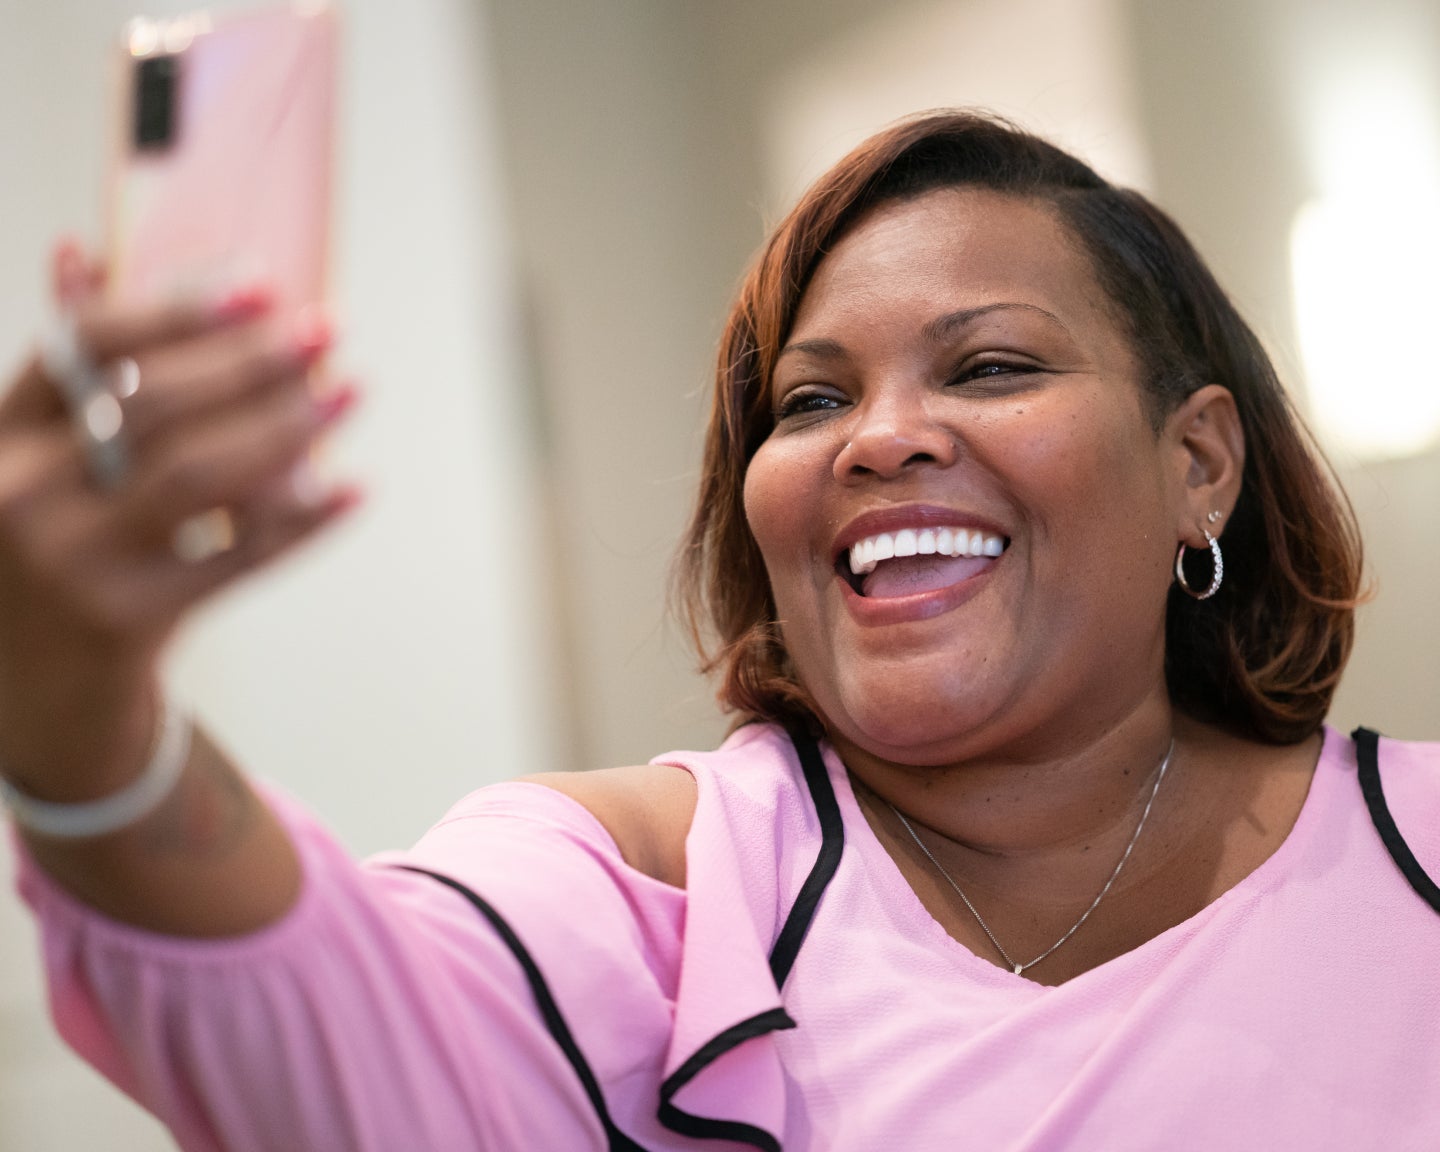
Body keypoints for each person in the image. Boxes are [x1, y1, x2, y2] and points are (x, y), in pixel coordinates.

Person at [3, 110, 1438, 1151]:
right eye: (811, 401)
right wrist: (74, 716)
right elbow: (327, 1046)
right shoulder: (651, 892)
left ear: (1198, 463)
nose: (879, 438)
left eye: (991, 365)